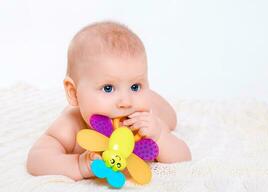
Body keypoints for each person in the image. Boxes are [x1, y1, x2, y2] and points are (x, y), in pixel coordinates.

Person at [27, 21, 191, 181]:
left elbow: (184, 157)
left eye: (135, 86)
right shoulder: (71, 124)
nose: (126, 102)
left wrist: (160, 136)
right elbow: (37, 159)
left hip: (159, 106)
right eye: (108, 88)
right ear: (74, 93)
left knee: (170, 119)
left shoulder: (143, 121)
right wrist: (78, 165)